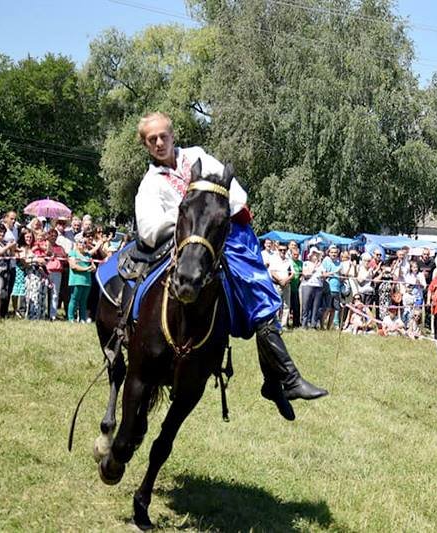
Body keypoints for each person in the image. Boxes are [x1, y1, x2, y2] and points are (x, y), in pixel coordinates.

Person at [134, 111, 326, 420]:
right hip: (184, 247)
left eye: (163, 136)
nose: (159, 143)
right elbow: (148, 230)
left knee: (262, 298)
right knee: (254, 296)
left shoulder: (197, 157)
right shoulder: (150, 185)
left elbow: (235, 193)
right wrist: (188, 213)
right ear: (145, 144)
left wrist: (212, 213)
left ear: (173, 136)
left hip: (226, 238)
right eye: (152, 139)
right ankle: (281, 380)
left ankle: (279, 379)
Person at [67, 234, 95, 322]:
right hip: (76, 280)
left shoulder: (88, 255)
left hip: (87, 281)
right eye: (80, 242)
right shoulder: (72, 253)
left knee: (84, 301)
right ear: (77, 244)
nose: (82, 244)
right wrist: (86, 269)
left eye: (85, 243)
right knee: (74, 299)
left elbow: (93, 266)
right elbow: (73, 266)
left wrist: (93, 268)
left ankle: (82, 318)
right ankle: (71, 318)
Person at [300, 248, 324, 329]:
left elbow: (323, 274)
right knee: (306, 306)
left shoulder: (321, 265)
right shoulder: (306, 263)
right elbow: (306, 275)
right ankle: (304, 324)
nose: (316, 256)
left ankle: (313, 324)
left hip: (318, 286)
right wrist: (314, 267)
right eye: (314, 254)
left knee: (316, 307)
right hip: (308, 285)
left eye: (317, 254)